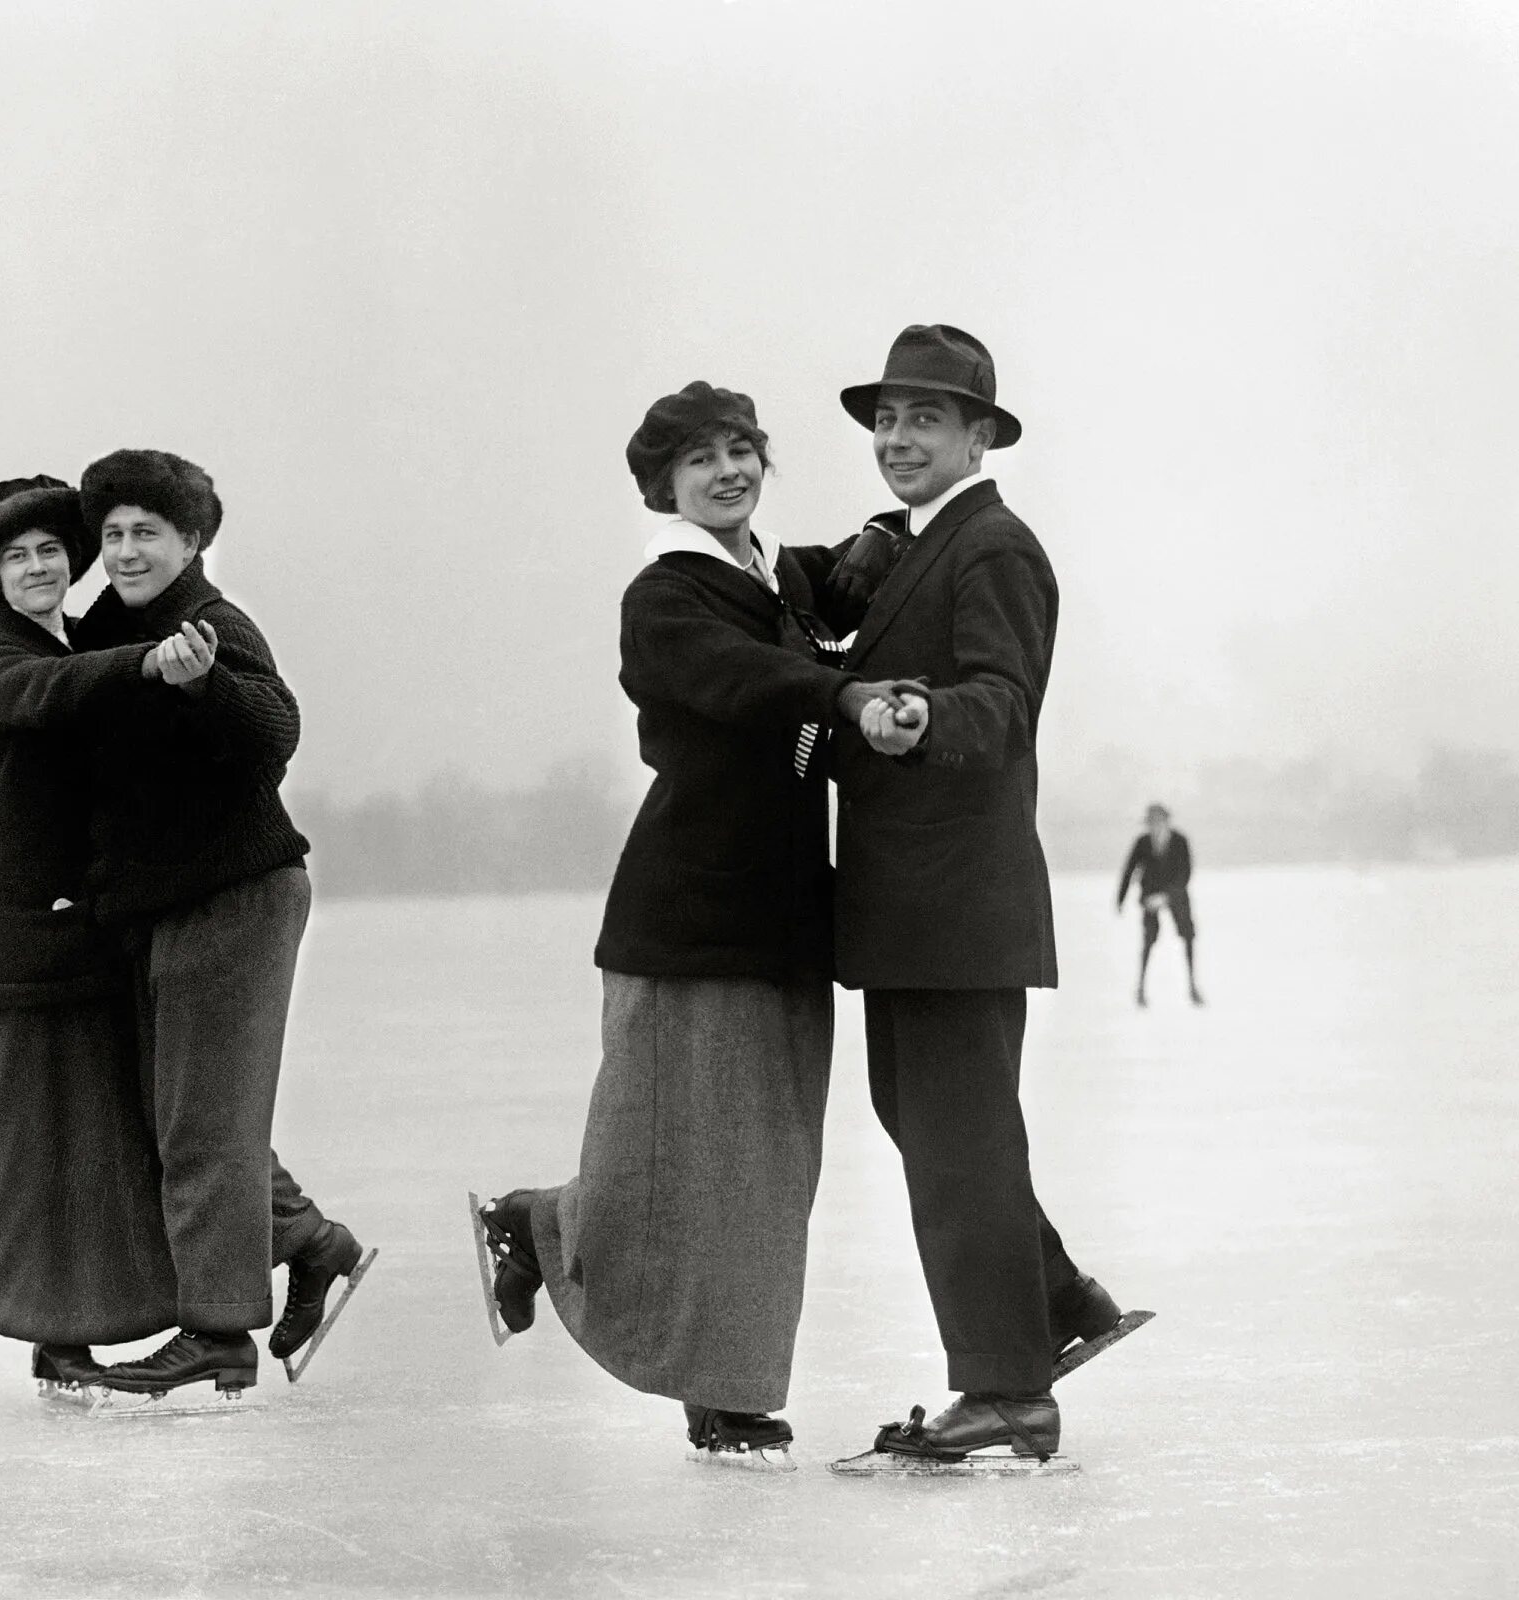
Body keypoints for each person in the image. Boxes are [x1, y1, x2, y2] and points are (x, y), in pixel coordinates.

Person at [473, 383, 918, 1463]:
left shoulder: (765, 573)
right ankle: (719, 1387)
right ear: (661, 484)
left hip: (781, 912)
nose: (727, 472)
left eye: (740, 451)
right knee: (681, 1158)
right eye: (699, 461)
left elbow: (825, 581)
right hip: (690, 910)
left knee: (765, 1164)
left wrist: (886, 534)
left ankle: (538, 1224)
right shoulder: (667, 596)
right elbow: (742, 674)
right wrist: (844, 694)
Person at [822, 325, 1132, 1463]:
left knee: (957, 1137)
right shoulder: (919, 543)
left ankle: (1006, 1386)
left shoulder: (993, 548)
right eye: (886, 421)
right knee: (927, 1122)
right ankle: (1054, 1301)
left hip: (956, 900)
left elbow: (1002, 700)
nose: (897, 439)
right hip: (916, 904)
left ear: (978, 436)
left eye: (924, 421)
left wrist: (916, 716)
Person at [69, 449, 365, 1400]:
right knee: (188, 1116)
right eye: (111, 533)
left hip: (235, 896)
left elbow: (275, 730)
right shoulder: (106, 630)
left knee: (202, 1128)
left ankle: (218, 1333)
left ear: (191, 539)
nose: (125, 550)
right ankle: (312, 1244)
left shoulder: (210, 625)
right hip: (167, 903)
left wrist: (207, 687)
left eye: (146, 532)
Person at [0, 475, 183, 1393]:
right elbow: (44, 692)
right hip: (3, 929)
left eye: (48, 552)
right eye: (15, 557)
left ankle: (54, 1331)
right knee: (10, 1140)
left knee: (89, 1141)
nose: (36, 568)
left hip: (81, 927)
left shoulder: (88, 638)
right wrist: (144, 666)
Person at [1117, 803, 1202, 1006]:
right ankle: (1140, 988)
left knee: (1188, 935)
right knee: (1148, 939)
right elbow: (1129, 870)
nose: (1155, 826)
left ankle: (1192, 986)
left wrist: (1167, 896)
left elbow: (1185, 873)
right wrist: (1121, 899)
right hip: (1150, 895)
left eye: (1158, 822)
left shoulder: (1180, 841)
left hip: (1176, 895)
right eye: (1151, 823)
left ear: (1166, 822)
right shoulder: (1143, 842)